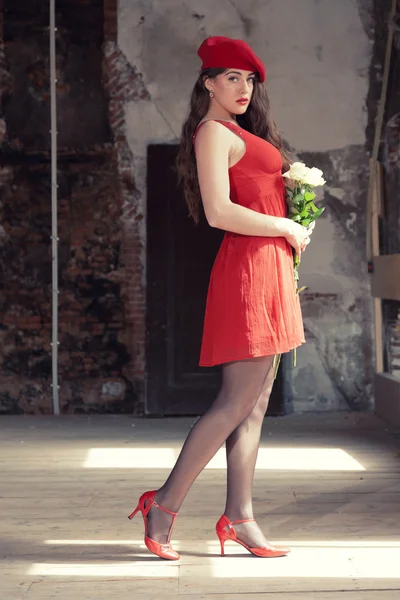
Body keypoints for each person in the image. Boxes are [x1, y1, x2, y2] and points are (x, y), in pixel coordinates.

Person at [128, 36, 312, 560]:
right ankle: (161, 505)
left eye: (250, 80)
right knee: (234, 403)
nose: (243, 88)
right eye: (232, 77)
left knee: (254, 409)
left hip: (271, 269)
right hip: (249, 273)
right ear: (207, 82)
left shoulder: (241, 132)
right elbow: (219, 212)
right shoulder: (212, 132)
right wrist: (283, 224)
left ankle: (240, 517)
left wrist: (291, 227)